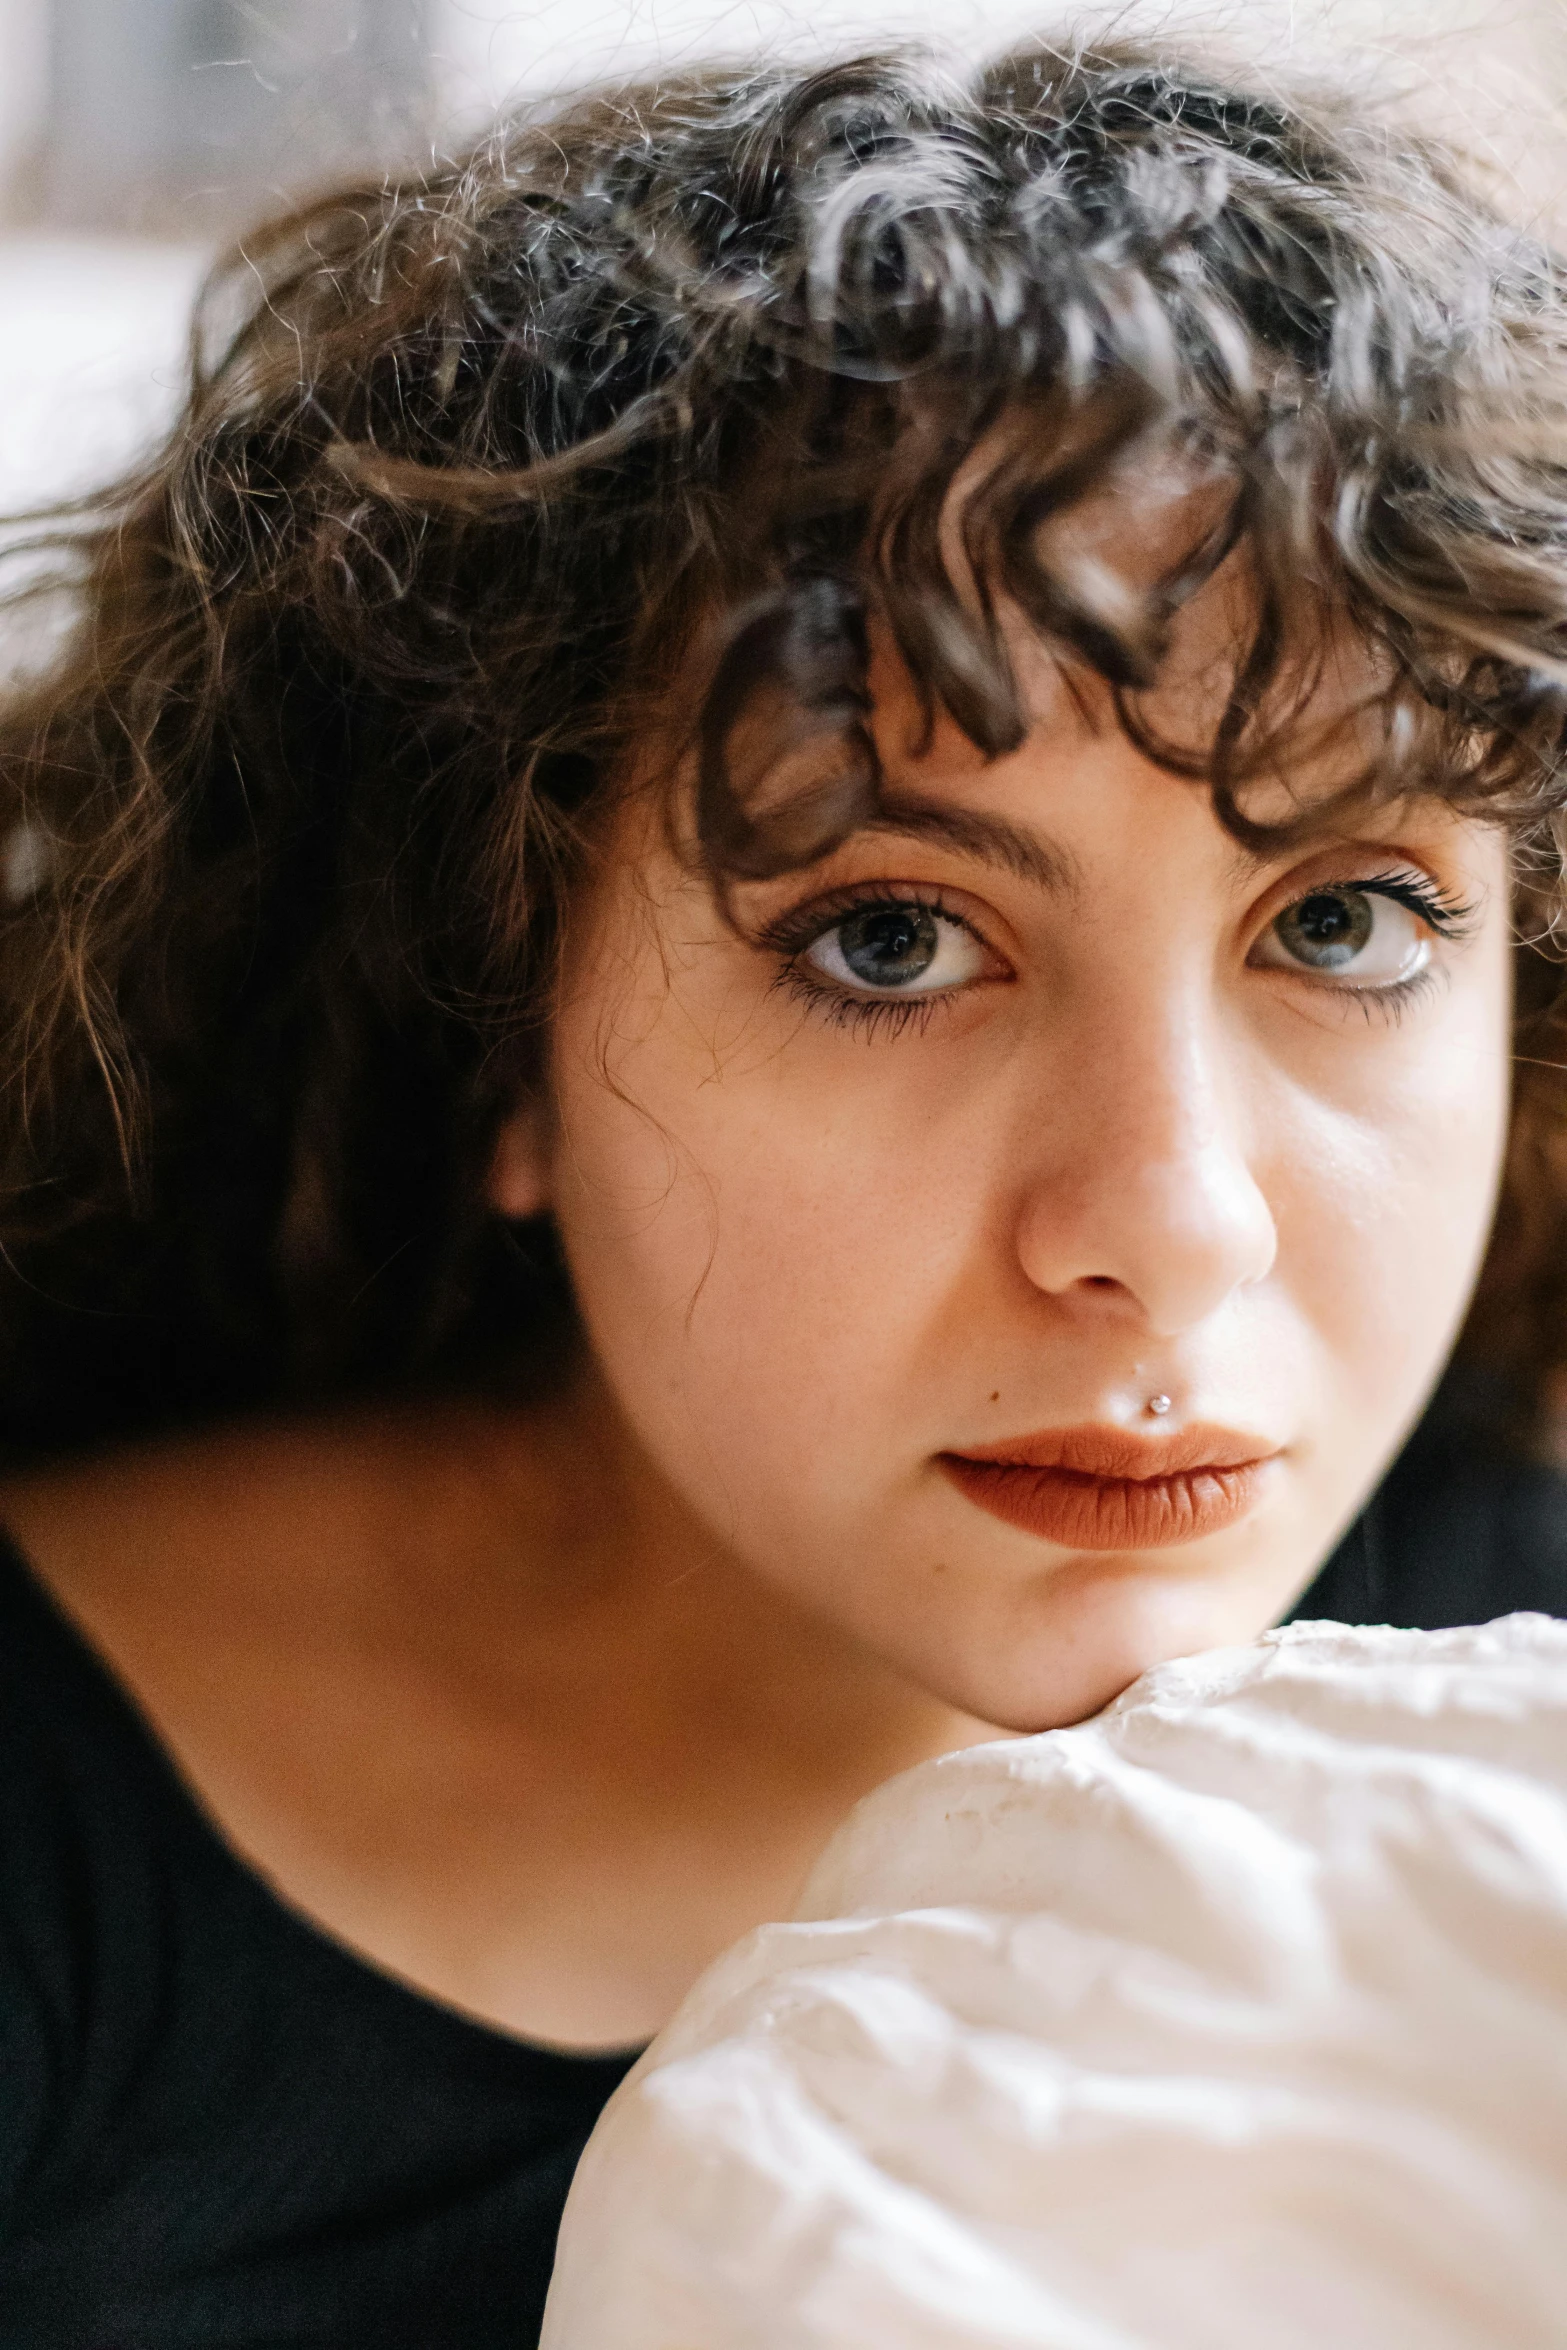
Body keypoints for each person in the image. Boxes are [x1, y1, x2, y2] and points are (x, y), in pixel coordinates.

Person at [0, 36, 1564, 2347]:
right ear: (490, 1017)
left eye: (1341, 923)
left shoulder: (1505, 1676)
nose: (1175, 1223)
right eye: (893, 937)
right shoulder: (54, 1885)